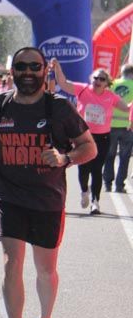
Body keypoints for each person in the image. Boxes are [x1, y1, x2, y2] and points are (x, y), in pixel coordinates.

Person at [0, 47, 96, 318]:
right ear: (12, 70)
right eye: (21, 66)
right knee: (11, 263)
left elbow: (89, 147)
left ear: (45, 71)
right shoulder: (0, 103)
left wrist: (65, 158)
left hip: (47, 199)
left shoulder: (58, 109)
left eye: (35, 67)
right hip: (8, 195)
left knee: (45, 269)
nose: (28, 72)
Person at [51, 61, 128, 214]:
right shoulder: (82, 90)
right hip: (83, 137)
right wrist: (57, 68)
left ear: (107, 83)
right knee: (83, 168)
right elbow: (63, 83)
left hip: (103, 138)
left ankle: (96, 202)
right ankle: (84, 191)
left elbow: (126, 108)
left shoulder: (110, 97)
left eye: (102, 79)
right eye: (96, 78)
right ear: (91, 79)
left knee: (97, 169)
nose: (98, 81)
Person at [104, 63, 133, 193]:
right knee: (124, 156)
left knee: (109, 155)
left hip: (110, 125)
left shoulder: (112, 84)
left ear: (122, 72)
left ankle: (107, 183)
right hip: (128, 126)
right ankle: (119, 185)